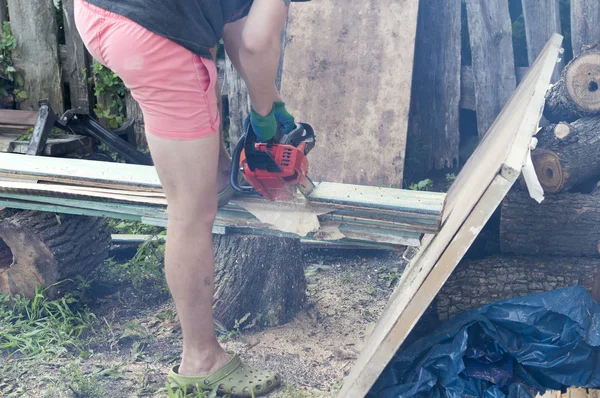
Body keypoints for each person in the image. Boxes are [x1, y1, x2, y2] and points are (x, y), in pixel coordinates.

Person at [74, 0, 297, 396]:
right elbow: (255, 43)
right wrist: (266, 113)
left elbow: (231, 19)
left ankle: (213, 175)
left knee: (196, 73)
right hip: (153, 32)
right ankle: (201, 359)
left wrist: (271, 100)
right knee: (190, 215)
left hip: (99, 11)